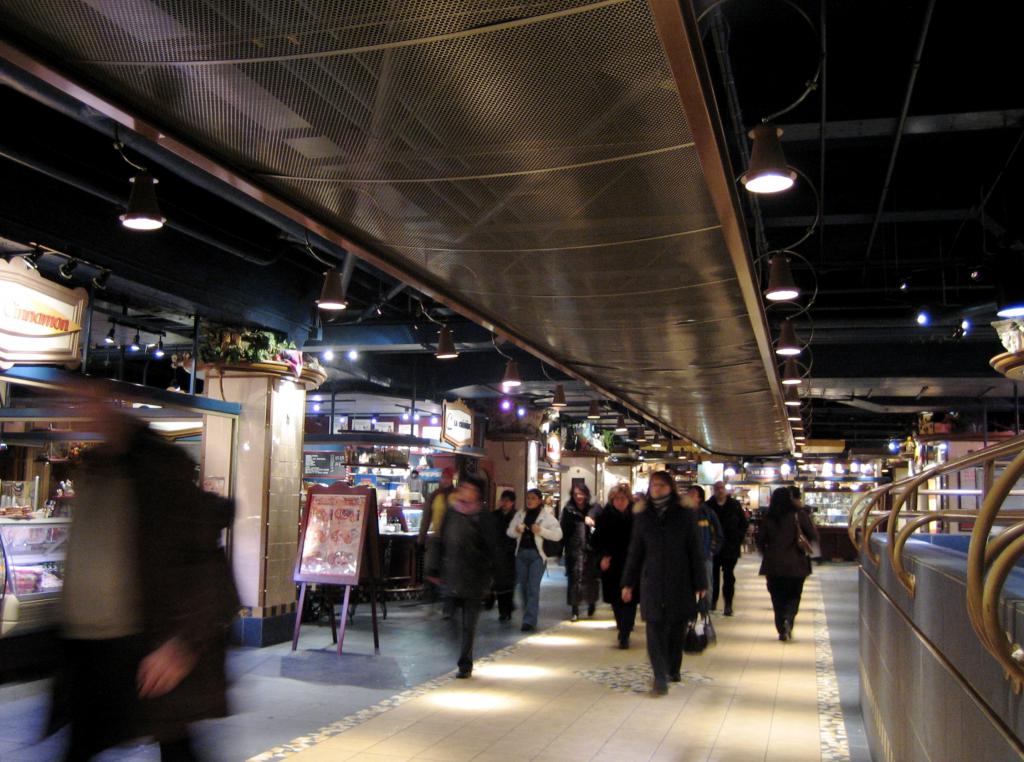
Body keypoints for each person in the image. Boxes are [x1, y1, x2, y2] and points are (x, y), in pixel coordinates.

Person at [50, 401, 239, 761]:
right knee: (91, 742)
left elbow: (208, 575)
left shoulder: (158, 480)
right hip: (93, 647)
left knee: (172, 740)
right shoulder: (99, 474)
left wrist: (183, 643)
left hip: (147, 644)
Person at [622, 471, 707, 696]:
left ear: (670, 487)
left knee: (676, 628)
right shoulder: (643, 515)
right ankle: (660, 675)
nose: (656, 489)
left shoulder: (684, 514)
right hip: (653, 580)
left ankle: (673, 667)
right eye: (653, 485)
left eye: (661, 485)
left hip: (681, 580)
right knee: (654, 628)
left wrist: (701, 582)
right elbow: (635, 551)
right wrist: (628, 583)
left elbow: (695, 550)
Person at [426, 475, 496, 678]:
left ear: (476, 493)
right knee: (450, 619)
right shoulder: (451, 511)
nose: (464, 491)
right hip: (452, 574)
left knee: (469, 623)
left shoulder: (483, 516)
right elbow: (440, 539)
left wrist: (493, 576)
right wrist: (433, 567)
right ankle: (461, 649)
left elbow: (492, 547)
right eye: (462, 487)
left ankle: (465, 663)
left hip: (475, 577)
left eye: (468, 488)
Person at [757, 486, 818, 641]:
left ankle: (781, 626)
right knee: (794, 594)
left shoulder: (768, 517)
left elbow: (760, 541)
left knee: (777, 597)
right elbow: (813, 534)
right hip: (796, 563)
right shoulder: (799, 514)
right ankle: (789, 617)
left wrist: (768, 553)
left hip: (773, 565)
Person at [508, 488, 563, 632]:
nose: (530, 501)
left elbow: (558, 535)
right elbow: (509, 531)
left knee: (533, 587)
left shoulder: (547, 517)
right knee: (523, 587)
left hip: (537, 556)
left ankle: (529, 620)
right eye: (528, 498)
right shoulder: (521, 514)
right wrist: (516, 530)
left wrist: (541, 531)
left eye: (533, 498)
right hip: (521, 554)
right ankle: (528, 613)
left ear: (539, 500)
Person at [592, 484, 637, 648]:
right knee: (616, 600)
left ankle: (625, 632)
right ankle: (622, 626)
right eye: (616, 499)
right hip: (612, 563)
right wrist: (602, 557)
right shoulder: (606, 516)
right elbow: (596, 540)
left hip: (632, 562)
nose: (619, 502)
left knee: (630, 599)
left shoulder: (636, 515)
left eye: (622, 498)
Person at [706, 480, 749, 616]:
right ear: (714, 490)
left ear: (725, 490)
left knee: (729, 576)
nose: (720, 490)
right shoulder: (708, 506)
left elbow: (743, 523)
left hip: (730, 546)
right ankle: (713, 601)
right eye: (717, 488)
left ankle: (728, 604)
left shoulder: (734, 505)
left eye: (722, 488)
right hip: (713, 546)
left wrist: (738, 537)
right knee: (713, 576)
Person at [560, 484, 601, 621]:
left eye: (581, 494)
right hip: (574, 548)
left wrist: (590, 517)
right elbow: (564, 529)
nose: (579, 497)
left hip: (590, 548)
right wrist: (561, 549)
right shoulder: (568, 509)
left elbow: (599, 512)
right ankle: (575, 609)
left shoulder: (592, 508)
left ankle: (591, 603)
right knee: (574, 577)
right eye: (576, 494)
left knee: (590, 577)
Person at [418, 467, 455, 618]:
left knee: (448, 572)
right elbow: (426, 517)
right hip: (436, 538)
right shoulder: (434, 495)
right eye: (443, 477)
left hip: (451, 540)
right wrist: (422, 537)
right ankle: (432, 597)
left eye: (448, 477)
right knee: (430, 568)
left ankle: (447, 605)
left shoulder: (455, 496)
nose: (445, 480)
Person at [686, 485, 722, 605]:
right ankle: (690, 612)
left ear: (699, 498)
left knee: (705, 584)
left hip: (704, 555)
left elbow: (718, 533)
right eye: (689, 493)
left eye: (692, 494)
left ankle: (704, 611)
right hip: (686, 557)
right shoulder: (682, 514)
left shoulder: (707, 513)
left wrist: (712, 550)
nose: (689, 496)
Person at [490, 489, 518, 621]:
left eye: (507, 501)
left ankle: (508, 607)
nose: (504, 503)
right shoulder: (494, 515)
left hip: (512, 554)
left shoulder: (517, 517)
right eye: (503, 500)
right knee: (500, 582)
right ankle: (503, 611)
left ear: (512, 503)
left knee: (510, 582)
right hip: (498, 553)